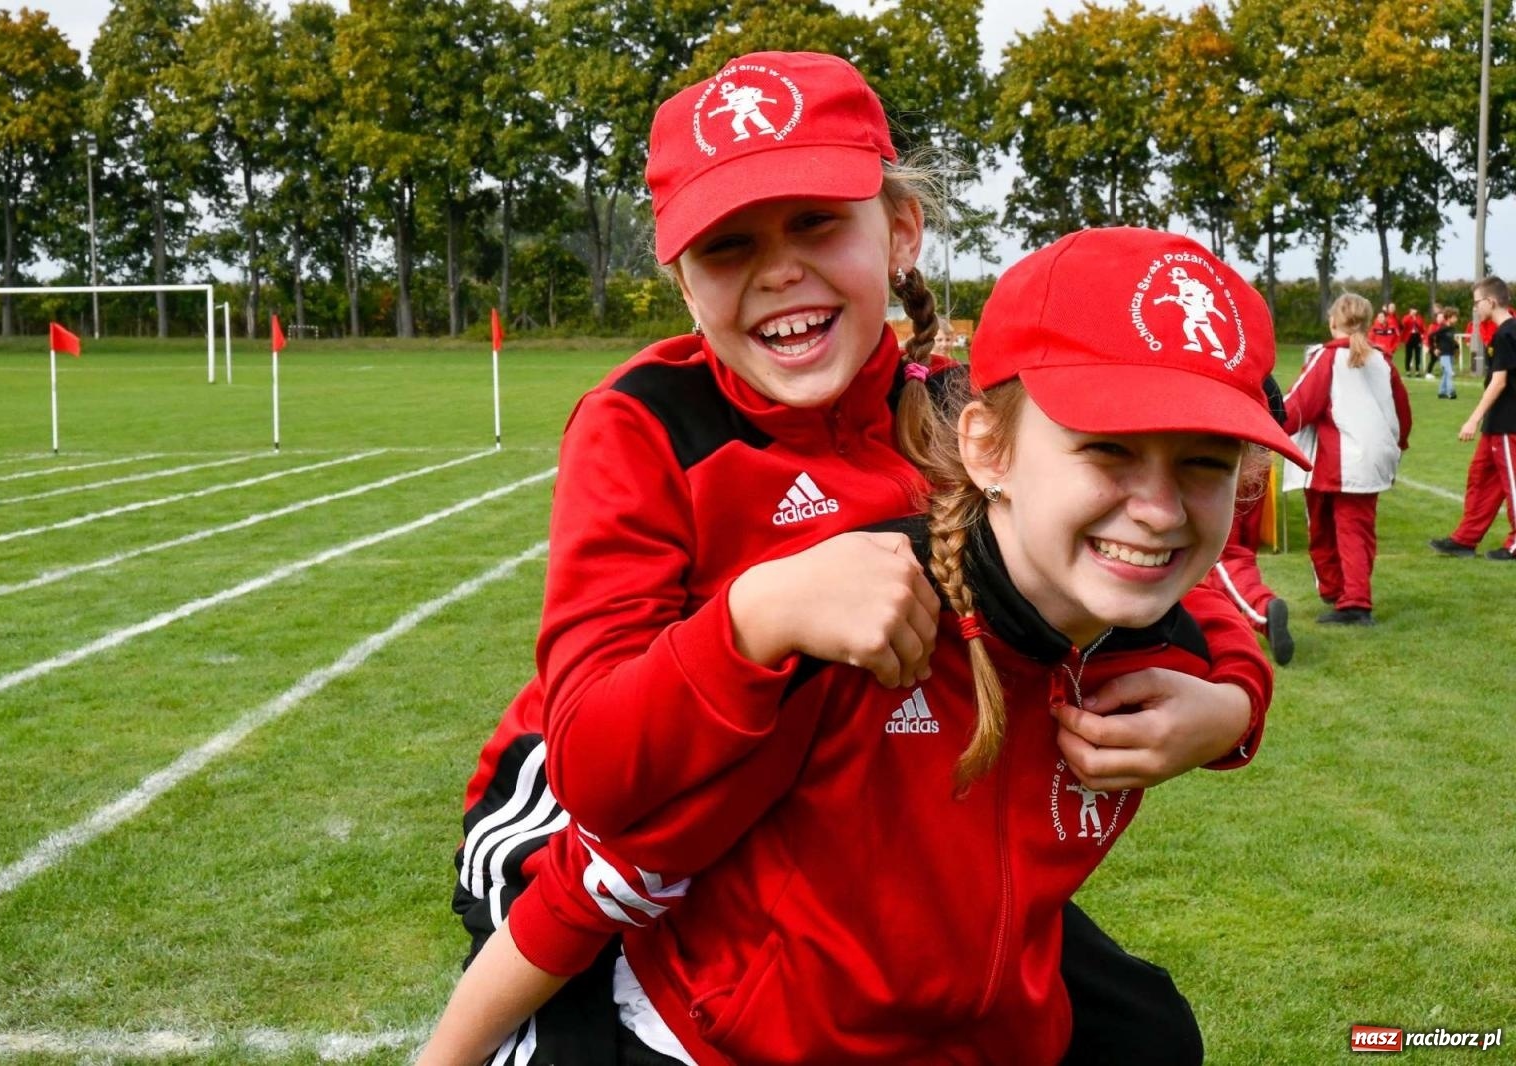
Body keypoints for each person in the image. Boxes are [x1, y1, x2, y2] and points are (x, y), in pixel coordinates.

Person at [421, 227, 1306, 1066]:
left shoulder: (1142, 632)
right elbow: (604, 870)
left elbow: (1207, 603)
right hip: (715, 1003)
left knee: (1151, 1035)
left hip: (962, 1022)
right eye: (1108, 451)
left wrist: (1234, 709)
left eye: (1205, 462)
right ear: (988, 450)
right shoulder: (860, 630)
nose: (1157, 509)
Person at [1282, 292, 1412, 625]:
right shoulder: (1382, 360)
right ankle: (1343, 591)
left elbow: (1300, 405)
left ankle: (1353, 599)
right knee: (1356, 529)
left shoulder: (1326, 357)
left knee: (1334, 528)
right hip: (1371, 457)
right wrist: (1400, 443)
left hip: (1339, 458)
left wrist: (1266, 420)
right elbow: (1402, 410)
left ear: (1332, 320)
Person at [1205, 377, 1295, 664]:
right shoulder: (1262, 376)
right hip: (1259, 461)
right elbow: (1283, 416)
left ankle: (1263, 608)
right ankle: (1227, 625)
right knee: (1241, 550)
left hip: (1227, 465)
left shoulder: (1219, 367)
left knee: (1221, 555)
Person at [1428, 275, 1516, 561]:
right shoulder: (1500, 332)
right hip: (1496, 423)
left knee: (1511, 482)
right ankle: (1465, 539)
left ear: (1491, 301)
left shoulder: (1507, 333)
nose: (1475, 309)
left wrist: (1473, 418)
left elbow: (1499, 382)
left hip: (1508, 422)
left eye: (1477, 302)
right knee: (1481, 478)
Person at [1431, 307, 1460, 398]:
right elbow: (1431, 336)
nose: (1456, 319)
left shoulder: (1452, 329)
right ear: (1448, 317)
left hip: (1450, 354)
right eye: (1454, 317)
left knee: (1446, 373)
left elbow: (1451, 341)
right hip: (1444, 354)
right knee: (1449, 372)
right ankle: (1451, 392)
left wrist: (1456, 347)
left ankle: (1441, 392)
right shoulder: (1443, 329)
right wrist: (1434, 348)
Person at [1401, 306, 1426, 375]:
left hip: (1417, 336)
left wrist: (1416, 321)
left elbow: (1422, 327)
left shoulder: (1419, 318)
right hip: (1409, 337)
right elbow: (1404, 323)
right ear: (1410, 310)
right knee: (1409, 354)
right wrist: (1410, 316)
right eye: (1412, 310)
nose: (1414, 311)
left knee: (1418, 354)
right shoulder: (1406, 317)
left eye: (1415, 310)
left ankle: (1417, 370)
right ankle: (1408, 370)